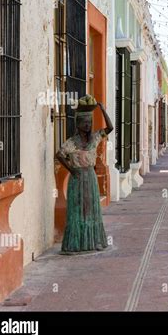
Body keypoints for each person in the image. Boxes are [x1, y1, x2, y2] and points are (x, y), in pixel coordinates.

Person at [55, 97, 113, 254]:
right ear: (78, 124)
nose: (88, 125)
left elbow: (110, 127)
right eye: (84, 122)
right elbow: (59, 155)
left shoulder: (95, 138)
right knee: (76, 210)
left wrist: (101, 109)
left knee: (92, 210)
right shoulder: (72, 142)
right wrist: (71, 170)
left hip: (90, 177)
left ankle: (93, 242)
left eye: (89, 122)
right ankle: (74, 245)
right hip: (77, 178)